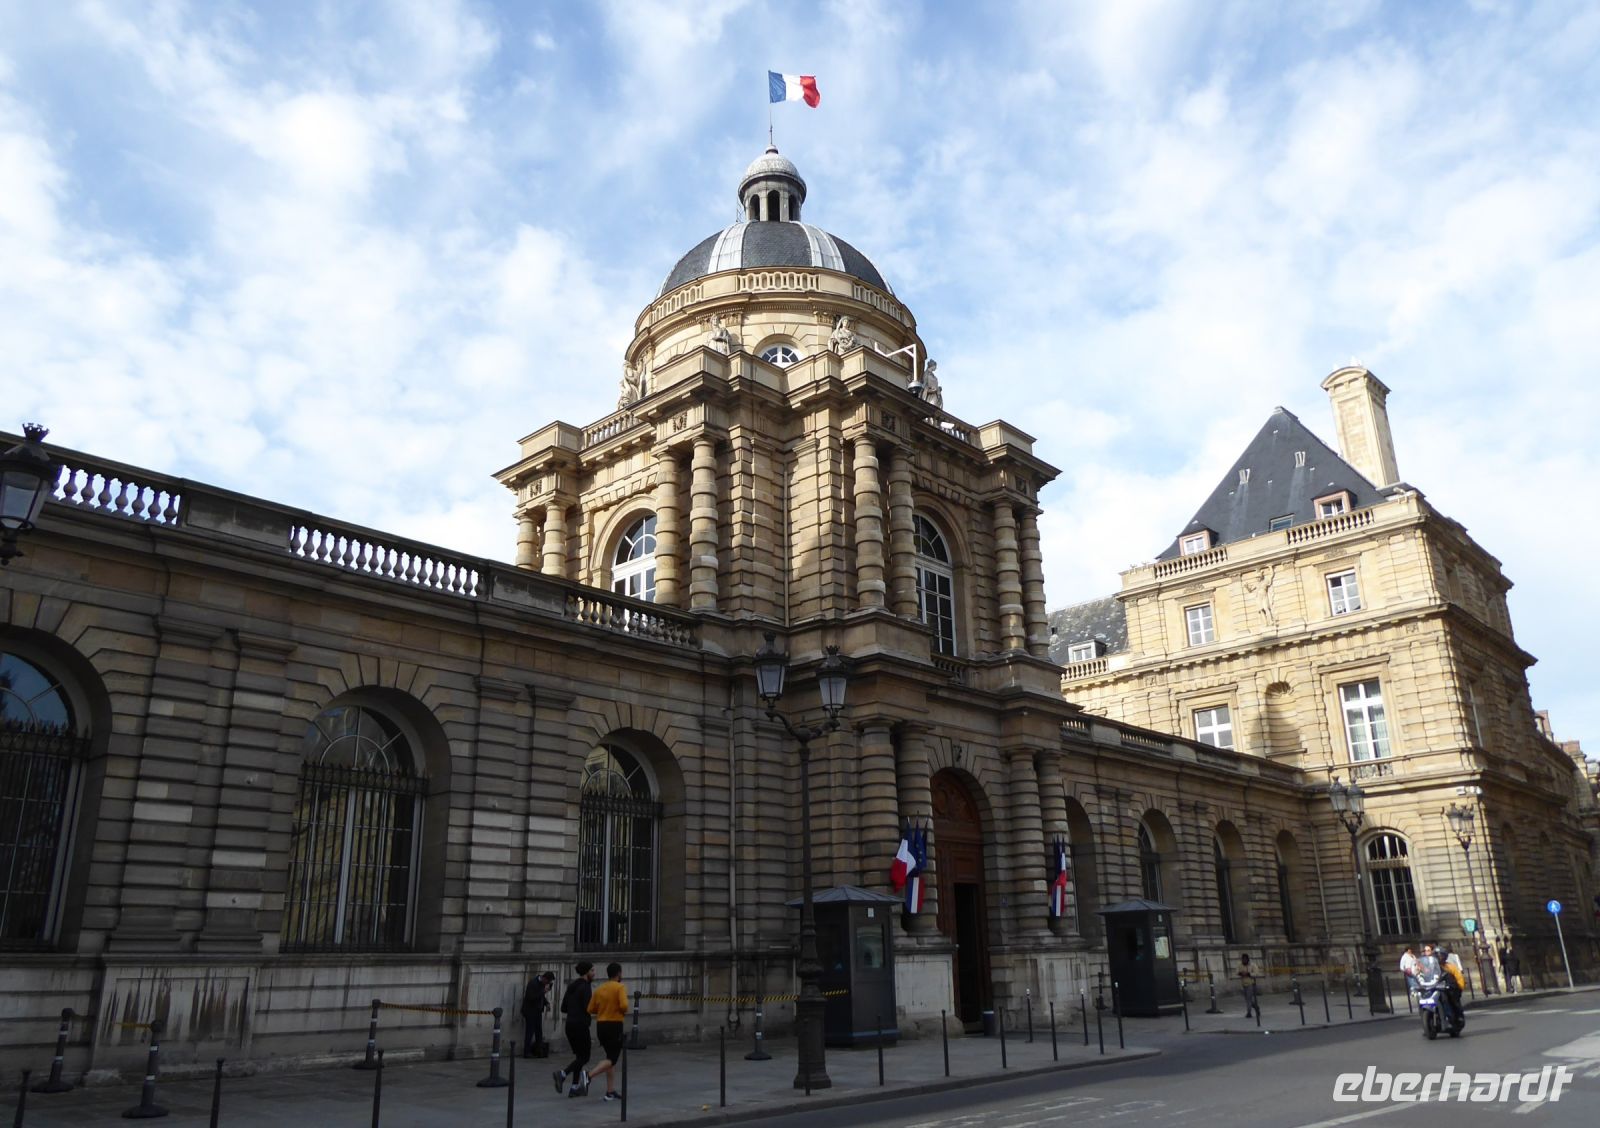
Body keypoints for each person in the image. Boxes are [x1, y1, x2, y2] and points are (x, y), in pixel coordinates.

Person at [585, 962, 630, 1102]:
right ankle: (588, 1076)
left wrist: (603, 1009)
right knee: (613, 1058)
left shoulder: (600, 989)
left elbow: (590, 1009)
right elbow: (624, 1005)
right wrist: (620, 1010)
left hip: (601, 1025)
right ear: (619, 973)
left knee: (609, 1057)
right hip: (614, 1024)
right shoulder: (620, 987)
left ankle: (610, 1091)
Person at [553, 961, 596, 1097]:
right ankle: (563, 1073)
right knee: (585, 1056)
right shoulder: (586, 987)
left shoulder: (572, 986)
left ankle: (574, 1087)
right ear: (586, 972)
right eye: (592, 971)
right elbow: (588, 1007)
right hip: (580, 1025)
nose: (594, 973)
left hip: (570, 1024)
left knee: (579, 1057)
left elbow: (563, 1008)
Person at [521, 970, 555, 1057]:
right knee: (530, 1031)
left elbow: (541, 997)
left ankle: (538, 1051)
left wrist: (546, 1003)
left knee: (539, 1031)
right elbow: (531, 997)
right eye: (548, 981)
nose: (547, 983)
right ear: (544, 978)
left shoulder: (541, 984)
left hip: (537, 1011)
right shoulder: (533, 983)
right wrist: (543, 991)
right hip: (530, 1011)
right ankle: (526, 1052)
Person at [1237, 952, 1261, 1020]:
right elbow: (1237, 972)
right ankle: (1256, 1007)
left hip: (1251, 984)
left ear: (1247, 959)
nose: (1244, 961)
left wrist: (1248, 974)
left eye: (1245, 959)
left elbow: (1256, 973)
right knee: (1248, 999)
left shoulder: (1252, 965)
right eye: (1243, 959)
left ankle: (1249, 1012)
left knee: (1248, 999)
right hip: (1243, 984)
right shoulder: (1240, 965)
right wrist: (1241, 973)